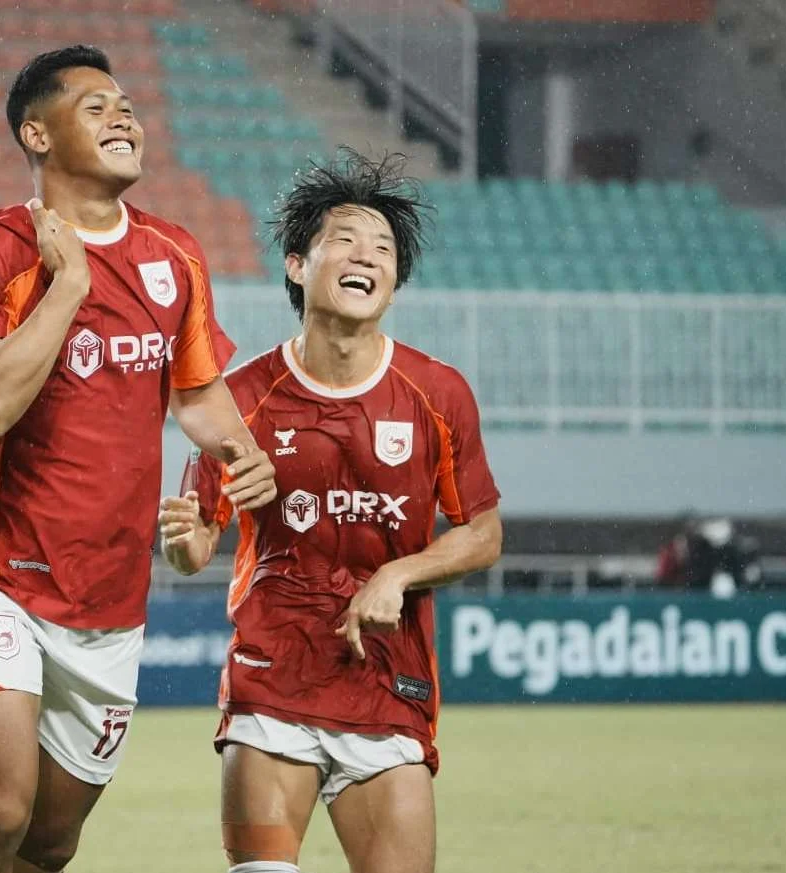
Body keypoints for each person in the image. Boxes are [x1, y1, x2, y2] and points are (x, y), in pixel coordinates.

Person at [0, 45, 278, 873]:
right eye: (95, 106)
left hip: (108, 596)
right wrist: (69, 285)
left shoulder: (174, 255)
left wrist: (242, 454)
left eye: (127, 105)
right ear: (36, 135)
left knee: (49, 840)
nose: (124, 116)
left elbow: (197, 394)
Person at [158, 149, 504, 873]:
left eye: (382, 248)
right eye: (344, 239)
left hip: (385, 683)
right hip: (272, 676)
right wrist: (186, 541)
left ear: (394, 282)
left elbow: (483, 533)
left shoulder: (438, 394)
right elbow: (196, 544)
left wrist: (400, 574)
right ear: (297, 265)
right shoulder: (241, 397)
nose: (365, 255)